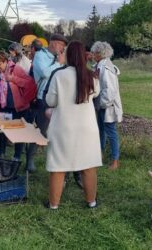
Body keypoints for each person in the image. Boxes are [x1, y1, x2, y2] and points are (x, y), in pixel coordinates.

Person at [45, 41, 102, 209]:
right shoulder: (92, 76)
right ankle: (91, 202)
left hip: (63, 127)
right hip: (87, 128)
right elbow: (96, 93)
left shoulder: (59, 76)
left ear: (68, 55)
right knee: (88, 165)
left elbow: (50, 101)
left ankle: (54, 204)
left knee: (58, 165)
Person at [0, 51, 36, 169]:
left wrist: (13, 79)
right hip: (3, 106)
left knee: (18, 133)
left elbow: (29, 83)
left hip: (19, 107)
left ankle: (16, 157)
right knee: (2, 131)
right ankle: (1, 154)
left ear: (6, 61)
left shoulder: (16, 69)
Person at [91, 41, 123, 170]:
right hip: (100, 104)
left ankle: (115, 160)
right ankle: (99, 156)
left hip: (107, 106)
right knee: (101, 131)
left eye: (95, 52)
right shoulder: (98, 65)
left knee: (111, 132)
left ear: (101, 53)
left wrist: (102, 104)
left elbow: (110, 90)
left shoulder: (107, 67)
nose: (93, 54)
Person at [32, 33, 68, 137]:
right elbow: (45, 73)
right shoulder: (40, 55)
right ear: (53, 44)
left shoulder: (60, 57)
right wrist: (58, 63)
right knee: (40, 129)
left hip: (56, 95)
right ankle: (33, 151)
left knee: (55, 128)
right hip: (42, 97)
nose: (62, 48)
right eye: (61, 45)